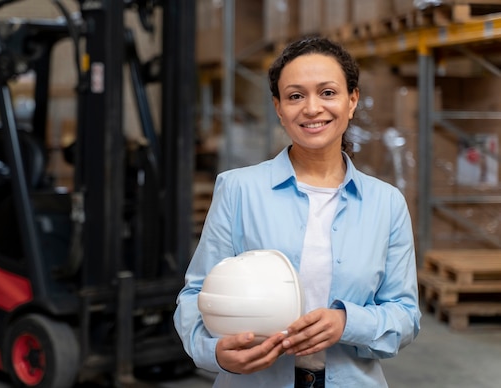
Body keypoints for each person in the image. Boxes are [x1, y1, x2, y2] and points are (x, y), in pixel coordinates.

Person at [173, 36, 421, 388]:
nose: (312, 108)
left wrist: (346, 322)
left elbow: (405, 315)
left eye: (328, 92)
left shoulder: (387, 203)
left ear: (352, 101)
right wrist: (213, 352)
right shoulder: (238, 189)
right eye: (295, 96)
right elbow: (197, 294)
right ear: (278, 107)